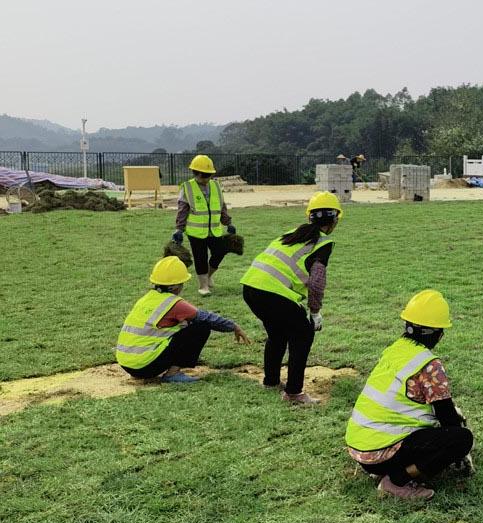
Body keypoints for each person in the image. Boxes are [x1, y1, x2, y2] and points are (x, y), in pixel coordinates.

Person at [345, 289, 474, 502]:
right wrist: (458, 451)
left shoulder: (395, 350)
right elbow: (448, 419)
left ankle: (389, 468)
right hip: (381, 452)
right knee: (460, 438)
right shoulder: (429, 365)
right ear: (439, 333)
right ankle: (395, 481)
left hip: (360, 447)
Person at [240, 191, 342, 406]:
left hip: (250, 287)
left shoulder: (290, 234)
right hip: (273, 293)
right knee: (303, 334)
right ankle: (294, 392)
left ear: (309, 217)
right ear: (334, 219)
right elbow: (316, 282)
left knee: (277, 334)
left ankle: (271, 382)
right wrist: (314, 312)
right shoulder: (323, 243)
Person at [116, 256, 250, 383]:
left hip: (126, 363)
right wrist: (234, 326)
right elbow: (207, 318)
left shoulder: (147, 298)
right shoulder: (174, 303)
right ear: (175, 286)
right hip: (145, 365)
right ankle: (173, 373)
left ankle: (151, 369)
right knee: (201, 327)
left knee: (185, 324)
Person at [172, 154, 235, 296]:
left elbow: (221, 206)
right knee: (200, 257)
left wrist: (228, 222)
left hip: (214, 230)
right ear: (197, 173)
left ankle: (208, 276)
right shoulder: (187, 187)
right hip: (195, 232)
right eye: (205, 176)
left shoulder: (216, 186)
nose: (207, 179)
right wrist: (179, 229)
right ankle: (203, 286)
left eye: (209, 175)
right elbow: (182, 210)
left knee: (220, 251)